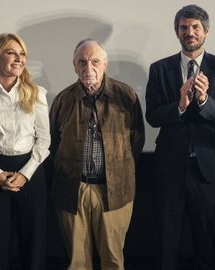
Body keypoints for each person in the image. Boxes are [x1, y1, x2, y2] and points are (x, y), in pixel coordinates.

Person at [145, 4, 215, 270]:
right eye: (184, 27)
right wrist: (181, 104)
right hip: (169, 169)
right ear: (176, 32)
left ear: (206, 31)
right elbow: (152, 116)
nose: (190, 32)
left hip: (207, 170)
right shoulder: (159, 69)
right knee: (167, 243)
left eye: (195, 27)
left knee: (206, 242)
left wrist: (205, 99)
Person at [49, 38, 145, 270]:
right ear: (74, 66)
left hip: (114, 190)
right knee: (77, 263)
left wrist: (117, 172)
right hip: (73, 190)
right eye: (82, 62)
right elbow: (52, 144)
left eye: (94, 61)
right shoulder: (63, 100)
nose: (88, 68)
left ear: (105, 64)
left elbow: (137, 141)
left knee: (113, 259)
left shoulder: (126, 95)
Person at [0, 33, 50, 270]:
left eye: (22, 53)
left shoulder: (37, 93)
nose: (18, 58)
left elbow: (44, 141)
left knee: (33, 246)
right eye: (11, 52)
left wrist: (25, 174)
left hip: (31, 173)